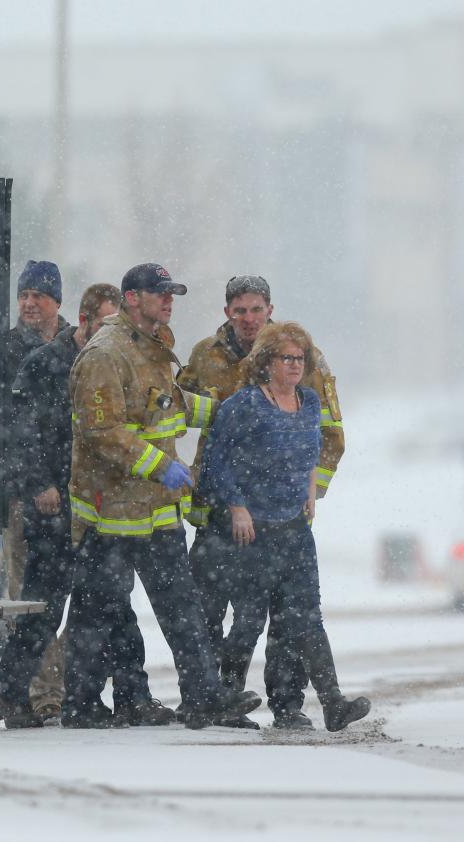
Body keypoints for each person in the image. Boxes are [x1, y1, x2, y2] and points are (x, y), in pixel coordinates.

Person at [63, 262, 261, 729]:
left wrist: (223, 414)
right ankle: (82, 704)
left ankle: (204, 697)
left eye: (172, 293)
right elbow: (102, 431)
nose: (168, 301)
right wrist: (162, 466)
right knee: (99, 612)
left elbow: (168, 404)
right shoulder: (105, 354)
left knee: (182, 611)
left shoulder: (151, 347)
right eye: (159, 293)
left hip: (155, 512)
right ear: (132, 298)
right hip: (111, 514)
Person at [0, 285, 178, 728]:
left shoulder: (117, 363)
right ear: (83, 321)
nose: (112, 335)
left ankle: (131, 695)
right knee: (44, 608)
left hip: (100, 507)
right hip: (55, 508)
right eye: (105, 324)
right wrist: (39, 483)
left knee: (113, 606)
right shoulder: (44, 367)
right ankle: (14, 696)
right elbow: (21, 434)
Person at [178, 275, 345, 730]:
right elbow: (174, 410)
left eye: (256, 309)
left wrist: (310, 489)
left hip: (281, 516)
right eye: (239, 310)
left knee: (284, 617)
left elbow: (329, 434)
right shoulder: (203, 356)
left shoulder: (304, 361)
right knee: (213, 609)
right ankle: (211, 697)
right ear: (227, 313)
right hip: (221, 508)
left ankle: (287, 702)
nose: (248, 318)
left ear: (270, 309)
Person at [201, 321, 370, 733]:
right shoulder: (244, 405)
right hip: (252, 531)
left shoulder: (310, 403)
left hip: (295, 528)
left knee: (306, 618)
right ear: (266, 362)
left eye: (300, 359)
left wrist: (310, 490)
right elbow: (216, 462)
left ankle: (332, 702)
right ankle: (227, 698)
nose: (295, 366)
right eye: (286, 358)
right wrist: (237, 507)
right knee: (249, 619)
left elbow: (314, 451)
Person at [0, 261, 71, 616]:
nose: (28, 303)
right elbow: (11, 428)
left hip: (79, 493)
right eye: (24, 295)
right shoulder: (5, 349)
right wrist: (37, 480)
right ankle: (43, 673)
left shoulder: (77, 347)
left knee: (89, 596)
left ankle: (70, 669)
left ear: (56, 301)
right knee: (30, 600)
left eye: (38, 296)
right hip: (24, 494)